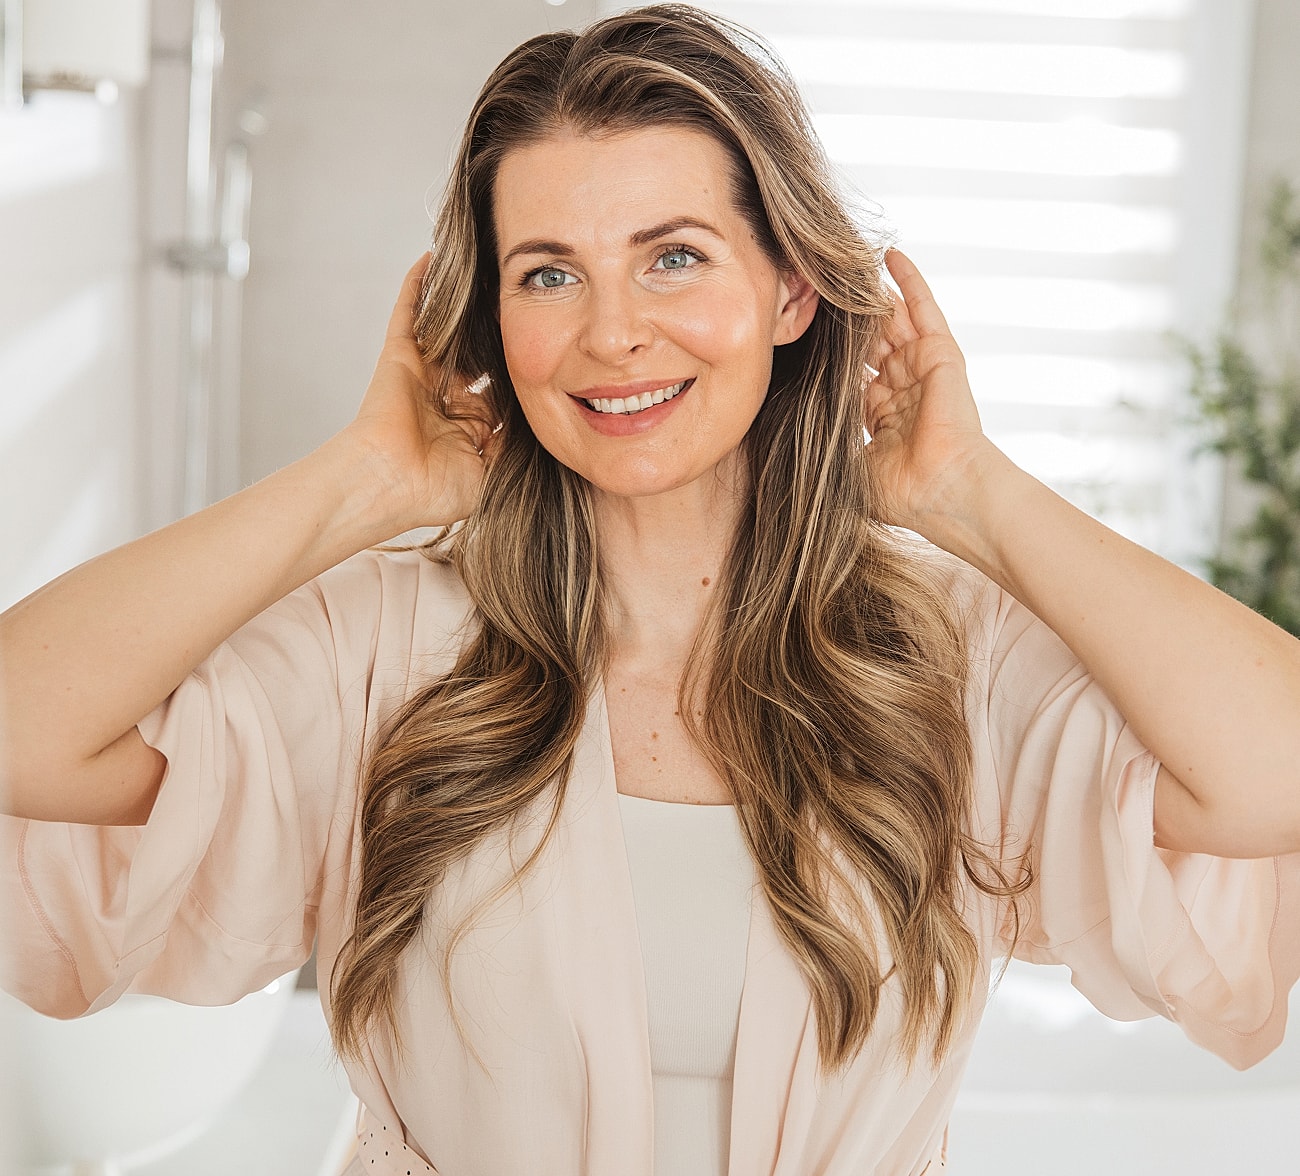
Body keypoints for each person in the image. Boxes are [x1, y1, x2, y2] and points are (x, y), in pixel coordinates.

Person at [3, 5, 1299, 1174]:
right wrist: (362, 483)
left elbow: (1272, 773)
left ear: (791, 288)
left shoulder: (938, 659)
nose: (611, 332)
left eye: (673, 256)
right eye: (549, 272)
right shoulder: (392, 651)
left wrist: (971, 495)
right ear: (493, 319)